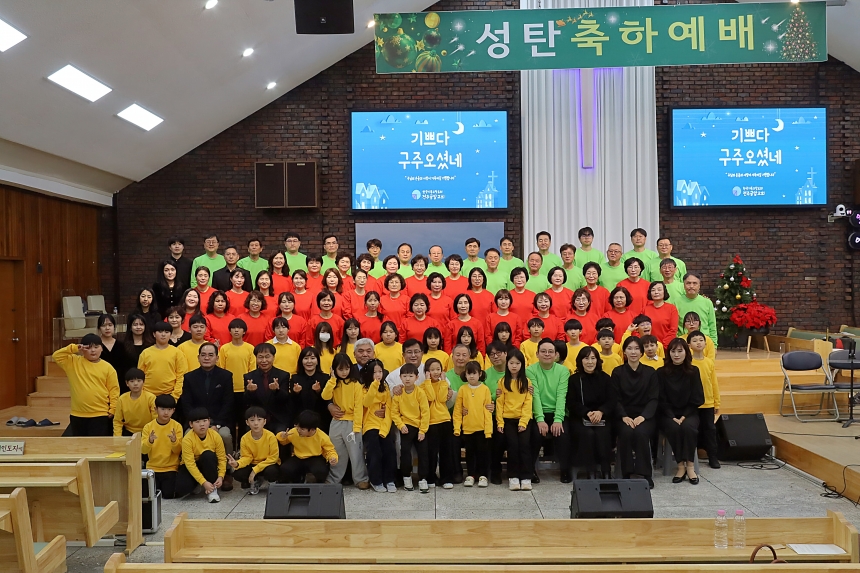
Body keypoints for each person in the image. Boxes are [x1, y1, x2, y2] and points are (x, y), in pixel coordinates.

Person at [611, 336, 659, 488]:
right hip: (623, 416)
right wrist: (623, 416)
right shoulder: (617, 372)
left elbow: (654, 399)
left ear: (642, 352)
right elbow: (614, 398)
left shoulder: (650, 372)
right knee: (626, 433)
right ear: (624, 351)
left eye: (637, 349)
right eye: (630, 348)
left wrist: (643, 416)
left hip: (645, 416)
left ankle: (645, 474)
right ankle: (626, 473)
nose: (633, 352)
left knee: (641, 433)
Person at [657, 338, 705, 484]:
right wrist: (672, 416)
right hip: (667, 414)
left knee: (688, 428)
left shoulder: (693, 371)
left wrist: (684, 416)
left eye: (680, 351)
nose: (676, 355)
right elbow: (660, 398)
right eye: (673, 351)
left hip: (689, 412)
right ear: (669, 353)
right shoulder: (661, 372)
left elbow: (697, 397)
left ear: (686, 352)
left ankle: (690, 466)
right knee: (674, 428)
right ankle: (680, 466)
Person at [53, 334, 119, 437]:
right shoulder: (73, 362)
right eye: (88, 347)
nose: (93, 350)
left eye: (96, 347)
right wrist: (75, 348)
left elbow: (114, 390)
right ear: (82, 349)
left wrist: (113, 408)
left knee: (97, 445)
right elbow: (56, 356)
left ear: (102, 348)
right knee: (80, 445)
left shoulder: (108, 368)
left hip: (100, 414)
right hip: (78, 414)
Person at [526, 339, 571, 483]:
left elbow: (561, 395)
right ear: (537, 354)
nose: (547, 354)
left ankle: (565, 469)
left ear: (556, 355)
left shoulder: (563, 371)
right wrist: (540, 419)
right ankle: (530, 470)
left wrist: (558, 419)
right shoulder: (530, 370)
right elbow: (535, 396)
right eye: (543, 351)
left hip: (558, 412)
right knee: (535, 433)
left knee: (563, 433)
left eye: (550, 351)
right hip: (537, 412)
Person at [566, 346, 615, 479]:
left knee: (603, 433)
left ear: (597, 360)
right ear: (580, 361)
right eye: (586, 358)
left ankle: (606, 470)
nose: (590, 362)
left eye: (593, 358)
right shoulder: (574, 379)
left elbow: (612, 400)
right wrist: (587, 413)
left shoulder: (605, 378)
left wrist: (601, 412)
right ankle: (590, 470)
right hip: (581, 417)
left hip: (602, 417)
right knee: (587, 434)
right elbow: (571, 402)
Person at [322, 354, 369, 489]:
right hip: (336, 422)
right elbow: (325, 396)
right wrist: (332, 379)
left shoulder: (356, 384)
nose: (344, 372)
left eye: (347, 369)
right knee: (337, 452)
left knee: (356, 454)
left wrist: (357, 427)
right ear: (334, 369)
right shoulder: (333, 383)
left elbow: (358, 407)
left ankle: (360, 479)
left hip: (352, 422)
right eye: (340, 369)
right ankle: (333, 479)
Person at [182, 342, 235, 454]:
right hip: (196, 421)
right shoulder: (189, 377)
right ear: (198, 357)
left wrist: (217, 425)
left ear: (217, 358)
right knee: (187, 435)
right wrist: (195, 423)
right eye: (203, 355)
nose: (206, 358)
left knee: (225, 435)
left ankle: (229, 461)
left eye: (210, 355)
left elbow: (228, 403)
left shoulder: (226, 376)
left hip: (219, 422)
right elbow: (186, 403)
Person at [496, 348, 533, 491]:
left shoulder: (527, 382)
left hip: (523, 420)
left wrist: (523, 422)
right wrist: (500, 422)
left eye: (517, 363)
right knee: (513, 446)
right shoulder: (502, 382)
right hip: (508, 420)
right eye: (511, 363)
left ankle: (526, 477)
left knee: (525, 446)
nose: (514, 366)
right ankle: (513, 477)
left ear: (522, 365)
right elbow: (500, 403)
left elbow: (528, 403)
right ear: (507, 364)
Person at [453, 361, 493, 488]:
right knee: (470, 453)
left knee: (483, 453)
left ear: (480, 374)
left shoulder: (485, 389)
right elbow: (458, 410)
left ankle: (483, 475)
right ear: (465, 375)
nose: (471, 376)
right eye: (468, 373)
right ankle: (471, 475)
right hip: (468, 429)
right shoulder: (462, 389)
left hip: (481, 429)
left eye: (474, 373)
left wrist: (488, 430)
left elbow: (487, 411)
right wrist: (457, 428)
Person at [392, 363, 431, 492]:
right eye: (404, 376)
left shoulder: (420, 393)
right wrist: (401, 425)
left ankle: (423, 479)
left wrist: (422, 430)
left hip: (420, 427)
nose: (407, 379)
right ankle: (406, 478)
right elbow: (394, 413)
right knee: (405, 453)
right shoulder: (398, 394)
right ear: (400, 377)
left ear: (416, 377)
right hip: (406, 427)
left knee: (423, 453)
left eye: (410, 376)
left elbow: (425, 412)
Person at [176, 407, 228, 502]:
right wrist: (203, 482)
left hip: (208, 463)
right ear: (191, 424)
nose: (202, 424)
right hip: (192, 466)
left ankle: (212, 489)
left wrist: (221, 476)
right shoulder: (187, 439)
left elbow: (222, 458)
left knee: (208, 455)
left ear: (209, 421)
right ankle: (198, 484)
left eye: (205, 421)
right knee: (181, 489)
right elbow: (190, 464)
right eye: (197, 422)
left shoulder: (215, 436)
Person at [360, 359, 397, 492]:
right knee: (374, 452)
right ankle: (376, 480)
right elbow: (366, 402)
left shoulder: (385, 387)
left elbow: (390, 407)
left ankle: (390, 480)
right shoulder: (363, 388)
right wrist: (374, 385)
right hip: (370, 424)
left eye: (380, 371)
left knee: (389, 450)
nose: (378, 375)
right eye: (374, 372)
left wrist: (385, 428)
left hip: (384, 424)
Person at [218, 318, 257, 440]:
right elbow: (221, 369)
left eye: (239, 328)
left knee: (243, 421)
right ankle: (231, 447)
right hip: (228, 390)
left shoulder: (250, 348)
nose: (236, 330)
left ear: (244, 331)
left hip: (244, 390)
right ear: (229, 331)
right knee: (229, 420)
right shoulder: (224, 348)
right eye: (233, 328)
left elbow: (252, 370)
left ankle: (242, 446)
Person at [227, 406, 280, 493]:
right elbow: (247, 457)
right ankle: (256, 481)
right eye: (252, 420)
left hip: (268, 464)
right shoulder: (244, 438)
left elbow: (273, 458)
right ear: (247, 422)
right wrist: (237, 463)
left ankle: (272, 483)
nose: (256, 423)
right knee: (238, 473)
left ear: (264, 421)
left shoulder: (271, 436)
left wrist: (255, 470)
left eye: (259, 420)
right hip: (253, 463)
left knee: (271, 471)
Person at [244, 343, 292, 439]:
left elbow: (285, 399)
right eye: (260, 357)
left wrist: (277, 390)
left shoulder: (283, 375)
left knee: (282, 437)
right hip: (258, 419)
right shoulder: (249, 376)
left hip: (278, 419)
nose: (264, 360)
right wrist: (251, 392)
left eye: (267, 357)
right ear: (256, 358)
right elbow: (246, 402)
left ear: (273, 357)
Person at [141, 395, 184, 499]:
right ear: (155, 409)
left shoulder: (177, 426)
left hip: (170, 468)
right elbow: (143, 450)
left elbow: (178, 451)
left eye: (169, 409)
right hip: (152, 468)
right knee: (148, 495)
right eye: (163, 409)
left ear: (173, 411)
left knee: (168, 495)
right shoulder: (148, 427)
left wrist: (174, 441)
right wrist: (150, 441)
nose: (166, 412)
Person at [688, 330, 721, 469]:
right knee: (692, 430)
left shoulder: (709, 362)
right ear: (689, 345)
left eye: (701, 340)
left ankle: (713, 457)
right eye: (695, 341)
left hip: (707, 403)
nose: (698, 343)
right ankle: (690, 458)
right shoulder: (688, 363)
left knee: (710, 430)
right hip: (692, 404)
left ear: (705, 343)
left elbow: (714, 383)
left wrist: (716, 402)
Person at [277, 410, 338, 483]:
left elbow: (329, 450)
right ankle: (297, 481)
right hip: (298, 457)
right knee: (285, 469)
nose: (298, 430)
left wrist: (332, 457)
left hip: (315, 458)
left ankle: (315, 483)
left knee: (321, 471)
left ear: (312, 430)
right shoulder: (294, 432)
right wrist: (282, 436)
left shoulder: (322, 437)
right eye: (298, 427)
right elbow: (283, 442)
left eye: (302, 429)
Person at [423, 357, 455, 489]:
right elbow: (430, 397)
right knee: (431, 452)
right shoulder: (423, 386)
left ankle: (446, 478)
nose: (436, 372)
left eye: (438, 369)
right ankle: (430, 477)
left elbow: (442, 398)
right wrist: (427, 381)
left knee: (446, 451)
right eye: (432, 370)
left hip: (445, 420)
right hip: (431, 422)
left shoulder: (444, 384)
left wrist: (443, 381)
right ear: (427, 372)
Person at [138, 322, 187, 400]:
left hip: (170, 394)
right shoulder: (145, 353)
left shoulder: (177, 353)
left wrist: (175, 396)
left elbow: (181, 376)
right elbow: (140, 375)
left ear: (170, 335)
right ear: (154, 334)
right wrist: (142, 393)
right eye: (160, 332)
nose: (163, 334)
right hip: (147, 394)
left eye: (167, 332)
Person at [290, 347, 331, 429]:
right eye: (306, 358)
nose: (309, 361)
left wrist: (319, 391)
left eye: (312, 358)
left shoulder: (325, 378)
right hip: (300, 418)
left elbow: (326, 402)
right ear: (301, 361)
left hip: (321, 420)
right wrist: (296, 393)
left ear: (317, 361)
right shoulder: (295, 378)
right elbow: (293, 404)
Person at [674, 274, 718, 346]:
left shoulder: (707, 302)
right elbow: (674, 326)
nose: (691, 286)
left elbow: (712, 325)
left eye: (695, 283)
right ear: (684, 285)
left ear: (699, 285)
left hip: (705, 343)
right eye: (688, 283)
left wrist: (714, 345)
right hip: (684, 344)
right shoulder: (676, 302)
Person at [112, 368, 156, 436]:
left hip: (147, 432)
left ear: (144, 382)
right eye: (132, 381)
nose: (135, 384)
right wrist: (117, 438)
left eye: (139, 381)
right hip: (128, 431)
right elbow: (117, 421)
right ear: (127, 383)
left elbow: (155, 419)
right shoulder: (122, 399)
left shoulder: (151, 398)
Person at [97, 313, 131, 392]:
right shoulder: (96, 346)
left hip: (120, 384)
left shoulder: (121, 345)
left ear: (114, 327)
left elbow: (126, 366)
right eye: (103, 325)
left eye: (110, 325)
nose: (107, 328)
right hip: (101, 384)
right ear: (99, 328)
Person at [646, 282, 680, 349]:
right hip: (649, 347)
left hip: (666, 347)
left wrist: (662, 346)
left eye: (659, 290)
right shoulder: (645, 309)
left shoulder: (672, 308)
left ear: (664, 292)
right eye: (653, 290)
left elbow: (673, 330)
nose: (656, 292)